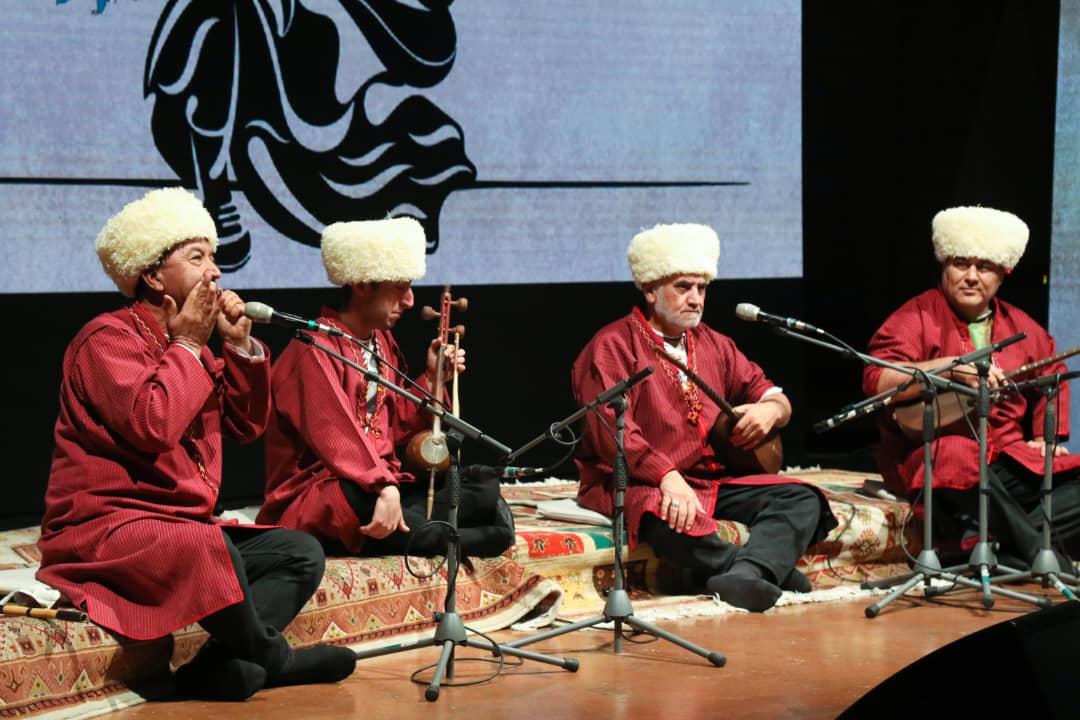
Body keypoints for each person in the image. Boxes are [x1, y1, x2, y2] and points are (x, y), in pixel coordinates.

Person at [36, 188, 356, 702]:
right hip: (107, 529)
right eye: (197, 257)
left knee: (299, 552)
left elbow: (246, 426)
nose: (215, 272)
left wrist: (238, 348)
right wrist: (189, 345)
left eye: (215, 258)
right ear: (153, 275)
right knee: (208, 547)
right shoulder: (106, 340)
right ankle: (274, 658)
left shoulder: (189, 344)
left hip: (183, 531)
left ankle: (218, 667)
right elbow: (152, 426)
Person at [574, 223, 836, 612]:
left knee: (801, 498)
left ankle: (747, 572)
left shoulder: (714, 343)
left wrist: (770, 411)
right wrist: (667, 477)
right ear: (650, 290)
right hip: (640, 480)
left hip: (710, 479)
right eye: (683, 287)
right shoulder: (612, 346)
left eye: (701, 288)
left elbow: (771, 393)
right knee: (663, 515)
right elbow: (614, 433)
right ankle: (757, 570)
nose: (696, 299)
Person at [258, 217, 514, 559]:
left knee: (480, 485)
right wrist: (382, 486)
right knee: (360, 498)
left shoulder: (381, 342)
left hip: (381, 483)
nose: (409, 300)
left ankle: (437, 530)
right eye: (400, 287)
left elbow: (396, 429)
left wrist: (433, 380)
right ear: (364, 284)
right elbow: (336, 436)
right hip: (326, 494)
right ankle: (458, 536)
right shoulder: (313, 349)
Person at [865, 205, 1080, 567]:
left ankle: (998, 548)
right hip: (930, 453)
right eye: (960, 264)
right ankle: (1032, 551)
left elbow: (1053, 375)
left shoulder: (1021, 325)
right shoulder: (915, 316)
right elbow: (878, 379)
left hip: (1006, 457)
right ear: (944, 265)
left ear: (1003, 274)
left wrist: (1048, 438)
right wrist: (949, 369)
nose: (971, 276)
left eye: (985, 267)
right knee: (955, 453)